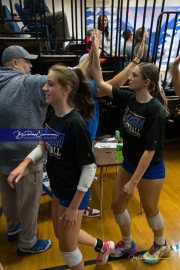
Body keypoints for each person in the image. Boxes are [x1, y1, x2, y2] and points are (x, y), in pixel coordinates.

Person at [7, 64, 115, 269]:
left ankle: (100, 248)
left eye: (50, 84)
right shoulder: (51, 114)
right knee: (60, 234)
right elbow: (44, 143)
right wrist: (24, 164)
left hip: (73, 193)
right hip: (59, 188)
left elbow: (89, 168)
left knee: (67, 248)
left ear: (65, 90)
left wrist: (74, 207)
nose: (44, 88)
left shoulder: (75, 123)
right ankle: (103, 246)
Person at [0, 44, 93, 256]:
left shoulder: (74, 124)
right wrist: (92, 55)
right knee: (30, 203)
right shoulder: (27, 83)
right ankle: (28, 242)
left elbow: (88, 167)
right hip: (26, 151)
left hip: (4, 151)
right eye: (27, 61)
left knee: (9, 197)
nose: (31, 65)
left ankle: (13, 226)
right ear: (15, 63)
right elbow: (70, 74)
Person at [91, 30, 171, 265]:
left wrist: (133, 182)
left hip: (150, 168)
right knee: (117, 204)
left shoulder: (154, 110)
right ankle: (127, 244)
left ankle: (161, 244)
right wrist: (95, 51)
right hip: (129, 161)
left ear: (146, 82)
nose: (129, 78)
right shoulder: (128, 98)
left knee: (150, 209)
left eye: (133, 75)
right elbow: (98, 81)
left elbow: (150, 151)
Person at [79, 53, 100, 218]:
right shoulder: (90, 85)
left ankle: (83, 203)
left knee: (84, 169)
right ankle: (83, 206)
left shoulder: (79, 84)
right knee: (85, 170)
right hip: (84, 137)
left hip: (85, 135)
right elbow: (113, 85)